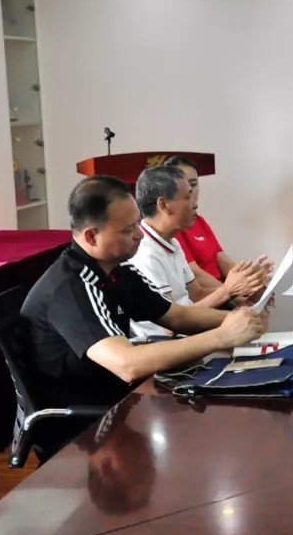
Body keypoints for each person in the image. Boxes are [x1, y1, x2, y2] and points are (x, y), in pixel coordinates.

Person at [22, 176, 270, 416]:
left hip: (120, 397)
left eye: (137, 223)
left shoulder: (118, 270)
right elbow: (128, 364)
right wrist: (222, 336)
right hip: (84, 419)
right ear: (91, 236)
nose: (139, 234)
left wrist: (245, 318)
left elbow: (177, 316)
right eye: (129, 229)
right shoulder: (72, 288)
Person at [128, 166, 265, 337]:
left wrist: (245, 295)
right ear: (164, 205)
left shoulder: (172, 242)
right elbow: (170, 325)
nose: (195, 204)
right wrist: (227, 291)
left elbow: (198, 294)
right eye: (187, 197)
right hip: (167, 343)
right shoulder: (145, 254)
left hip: (191, 334)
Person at [163, 156, 271, 293]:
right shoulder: (173, 227)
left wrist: (251, 279)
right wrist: (234, 295)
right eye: (184, 186)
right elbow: (195, 274)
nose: (190, 191)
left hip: (225, 291)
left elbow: (223, 260)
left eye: (194, 184)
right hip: (212, 295)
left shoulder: (199, 220)